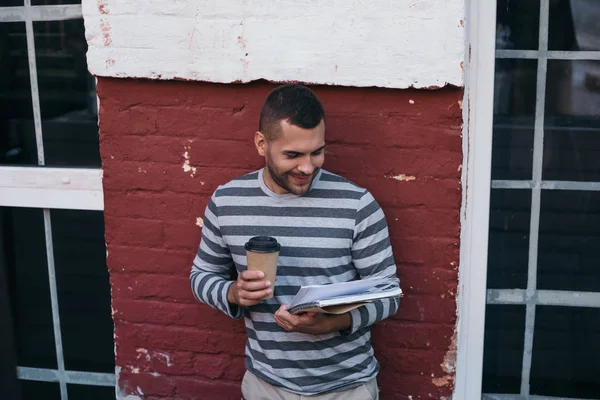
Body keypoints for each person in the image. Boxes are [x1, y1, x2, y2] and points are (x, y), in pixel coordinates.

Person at [190, 84, 400, 399]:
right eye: (293, 155)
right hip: (266, 386)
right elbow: (200, 276)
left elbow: (388, 294)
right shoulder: (227, 201)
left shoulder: (357, 204)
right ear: (262, 143)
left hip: (347, 388)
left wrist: (335, 323)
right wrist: (234, 292)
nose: (307, 167)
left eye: (317, 151)